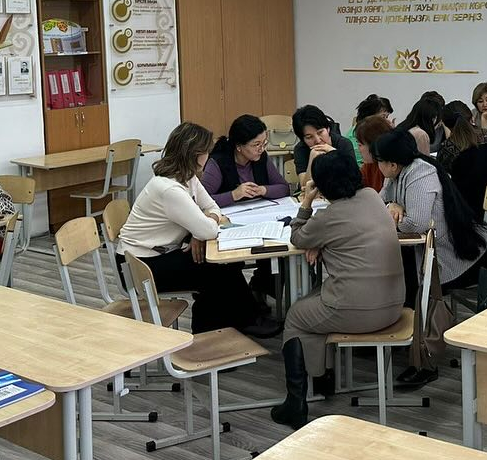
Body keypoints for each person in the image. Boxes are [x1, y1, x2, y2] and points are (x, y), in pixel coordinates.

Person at [270, 151, 405, 429]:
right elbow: (349, 235)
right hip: (394, 305)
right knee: (314, 301)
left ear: (323, 186)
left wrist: (306, 203)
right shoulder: (372, 197)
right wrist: (323, 242)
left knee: (296, 316)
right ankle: (323, 378)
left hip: (357, 310)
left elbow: (298, 237)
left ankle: (296, 402)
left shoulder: (329, 216)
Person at [116, 123, 276, 337]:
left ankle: (231, 324)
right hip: (139, 264)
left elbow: (213, 208)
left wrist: (202, 227)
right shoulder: (169, 189)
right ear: (194, 155)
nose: (208, 156)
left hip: (158, 253)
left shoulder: (187, 177)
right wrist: (202, 228)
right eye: (206, 152)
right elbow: (209, 230)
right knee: (215, 270)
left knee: (219, 267)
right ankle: (233, 325)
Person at [376, 128, 487, 386]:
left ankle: (423, 358)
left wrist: (395, 212)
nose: (377, 167)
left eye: (379, 162)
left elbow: (415, 224)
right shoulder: (398, 173)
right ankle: (401, 337)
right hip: (426, 249)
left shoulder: (420, 174)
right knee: (394, 272)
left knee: (403, 281)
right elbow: (380, 202)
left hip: (452, 255)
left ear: (391, 163)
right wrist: (392, 207)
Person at [201, 115, 290, 208]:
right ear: (239, 147)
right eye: (256, 144)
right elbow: (201, 201)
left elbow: (284, 188)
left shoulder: (261, 157)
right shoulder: (218, 162)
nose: (262, 149)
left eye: (264, 143)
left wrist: (262, 190)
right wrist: (234, 195)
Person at [437, 101, 487, 175]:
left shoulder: (447, 148)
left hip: (464, 186)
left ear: (446, 125)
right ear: (472, 118)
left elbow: (442, 174)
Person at [291, 105, 356, 181]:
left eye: (320, 132)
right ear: (303, 139)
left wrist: (334, 153)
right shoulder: (300, 149)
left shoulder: (343, 143)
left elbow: (353, 178)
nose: (318, 140)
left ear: (328, 129)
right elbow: (304, 185)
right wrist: (312, 160)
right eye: (309, 137)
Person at [343, 95, 392, 167]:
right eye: (383, 117)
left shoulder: (373, 133)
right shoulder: (355, 137)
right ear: (369, 117)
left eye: (387, 117)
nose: (388, 121)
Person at [354, 114, 394, 192]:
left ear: (374, 144)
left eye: (360, 145)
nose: (358, 149)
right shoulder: (368, 166)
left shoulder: (391, 168)